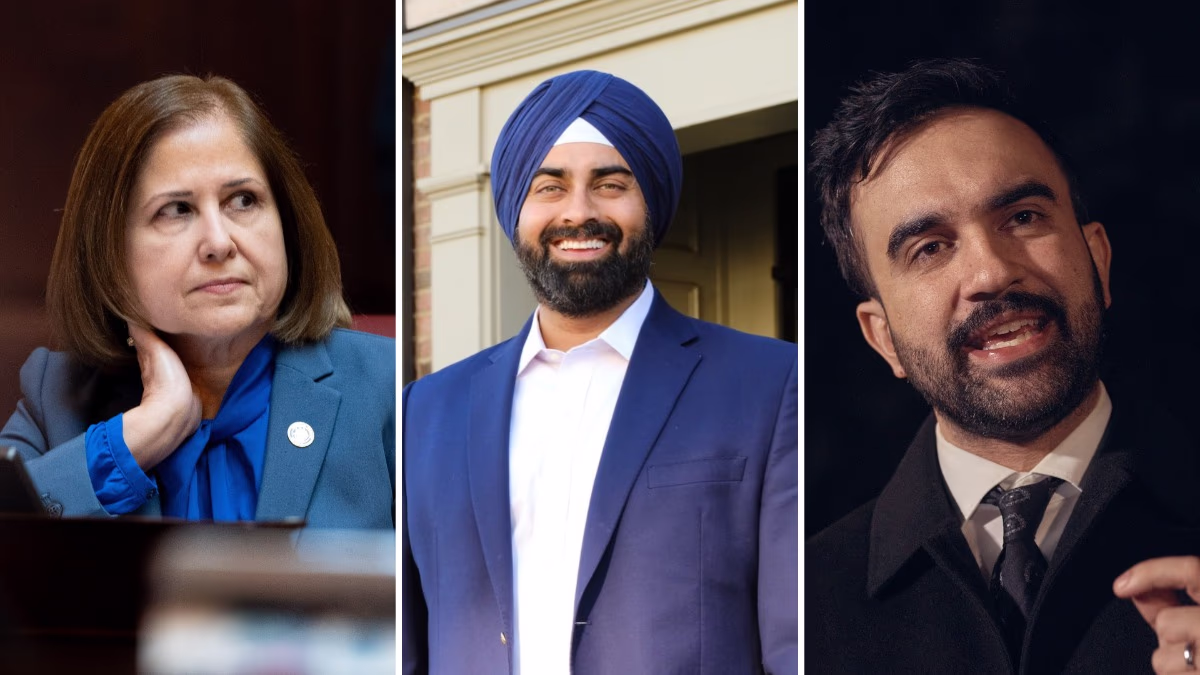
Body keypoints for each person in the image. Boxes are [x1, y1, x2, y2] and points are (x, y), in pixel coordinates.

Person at [806, 57, 1200, 673]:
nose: (991, 272)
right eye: (930, 248)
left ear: (1098, 260)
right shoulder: (805, 603)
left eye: (1023, 218)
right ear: (883, 338)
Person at [401, 70, 797, 674]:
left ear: (651, 203)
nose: (578, 212)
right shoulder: (424, 411)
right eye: (550, 187)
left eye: (610, 184)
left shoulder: (771, 384)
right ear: (515, 210)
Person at [0, 74, 394, 529]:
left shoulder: (385, 385)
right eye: (176, 210)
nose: (219, 243)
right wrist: (134, 440)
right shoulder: (56, 398)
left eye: (243, 200)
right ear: (109, 253)